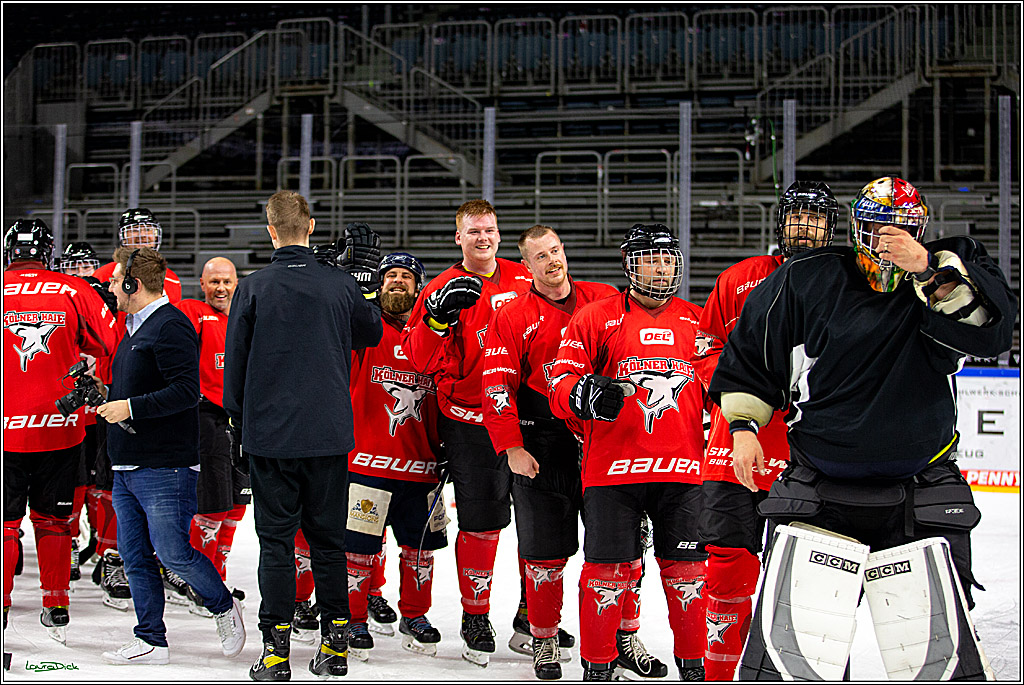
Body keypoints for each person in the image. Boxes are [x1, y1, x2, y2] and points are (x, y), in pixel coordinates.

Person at [710, 177, 1015, 681]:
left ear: (922, 230)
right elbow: (752, 356)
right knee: (801, 652)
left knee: (933, 658)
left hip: (920, 490)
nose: (889, 240)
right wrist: (743, 426)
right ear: (856, 230)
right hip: (821, 488)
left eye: (903, 229)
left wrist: (929, 273)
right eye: (877, 228)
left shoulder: (953, 265)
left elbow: (990, 332)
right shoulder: (805, 279)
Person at [223, 192, 383, 680]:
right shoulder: (338, 285)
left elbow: (236, 371)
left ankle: (275, 654)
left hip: (271, 437)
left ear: (270, 230)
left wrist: (237, 426)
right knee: (329, 541)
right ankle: (335, 644)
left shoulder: (252, 288)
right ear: (311, 226)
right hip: (329, 434)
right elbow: (372, 333)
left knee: (276, 543)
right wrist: (363, 288)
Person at [547, 224, 708, 681]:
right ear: (629, 264)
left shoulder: (699, 322)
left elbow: (726, 389)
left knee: (689, 576)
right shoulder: (595, 317)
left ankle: (695, 671)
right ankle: (597, 670)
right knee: (606, 576)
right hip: (613, 472)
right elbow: (558, 384)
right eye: (650, 260)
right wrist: (582, 393)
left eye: (668, 260)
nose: (661, 269)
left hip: (683, 472)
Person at [692, 181, 838, 680]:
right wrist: (739, 396)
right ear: (781, 222)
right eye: (797, 215)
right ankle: (720, 671)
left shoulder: (845, 284)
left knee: (807, 578)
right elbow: (706, 348)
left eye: (815, 217)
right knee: (728, 564)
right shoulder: (740, 278)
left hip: (811, 459)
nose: (805, 225)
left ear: (831, 226)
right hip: (734, 449)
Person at [96, 246, 245, 665]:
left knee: (174, 552)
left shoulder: (171, 325)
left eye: (115, 279)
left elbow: (185, 391)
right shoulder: (132, 328)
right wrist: (107, 399)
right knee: (135, 555)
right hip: (127, 462)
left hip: (165, 465)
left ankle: (222, 606)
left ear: (133, 284)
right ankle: (150, 639)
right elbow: (138, 387)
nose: (110, 286)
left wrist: (130, 407)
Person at [401, 199, 533, 666]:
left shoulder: (525, 278)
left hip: (528, 420)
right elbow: (416, 359)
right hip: (471, 422)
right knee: (482, 523)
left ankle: (531, 617)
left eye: (491, 230)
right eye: (474, 231)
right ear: (458, 237)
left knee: (538, 524)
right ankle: (475, 615)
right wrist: (436, 319)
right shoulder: (439, 287)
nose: (484, 238)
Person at [482, 225, 617, 679]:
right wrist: (511, 447)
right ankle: (543, 639)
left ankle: (619, 638)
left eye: (556, 250)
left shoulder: (604, 300)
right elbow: (496, 386)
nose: (552, 261)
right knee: (543, 551)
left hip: (601, 440)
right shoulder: (512, 314)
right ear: (527, 265)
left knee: (616, 548)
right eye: (540, 256)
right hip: (540, 443)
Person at [3, 219, 117, 645]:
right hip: (60, 429)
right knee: (53, 521)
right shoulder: (72, 289)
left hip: (4, 432)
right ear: (47, 252)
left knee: (4, 525)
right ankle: (56, 605)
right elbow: (106, 342)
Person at [344, 251, 447, 660]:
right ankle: (353, 620)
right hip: (367, 464)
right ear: (379, 285)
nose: (399, 282)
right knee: (359, 551)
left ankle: (415, 616)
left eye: (407, 276)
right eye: (391, 276)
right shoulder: (364, 332)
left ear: (420, 288)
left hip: (423, 467)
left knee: (419, 550)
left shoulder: (435, 335)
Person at [173, 258, 250, 610]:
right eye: (214, 281)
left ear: (237, 283)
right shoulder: (193, 312)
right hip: (207, 419)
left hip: (245, 421)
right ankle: (198, 584)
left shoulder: (247, 318)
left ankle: (216, 576)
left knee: (237, 506)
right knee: (213, 507)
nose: (221, 288)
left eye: (227, 281)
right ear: (202, 284)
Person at [93, 208, 182, 302]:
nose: (142, 235)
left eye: (148, 229)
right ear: (123, 237)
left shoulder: (171, 279)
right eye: (135, 230)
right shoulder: (104, 274)